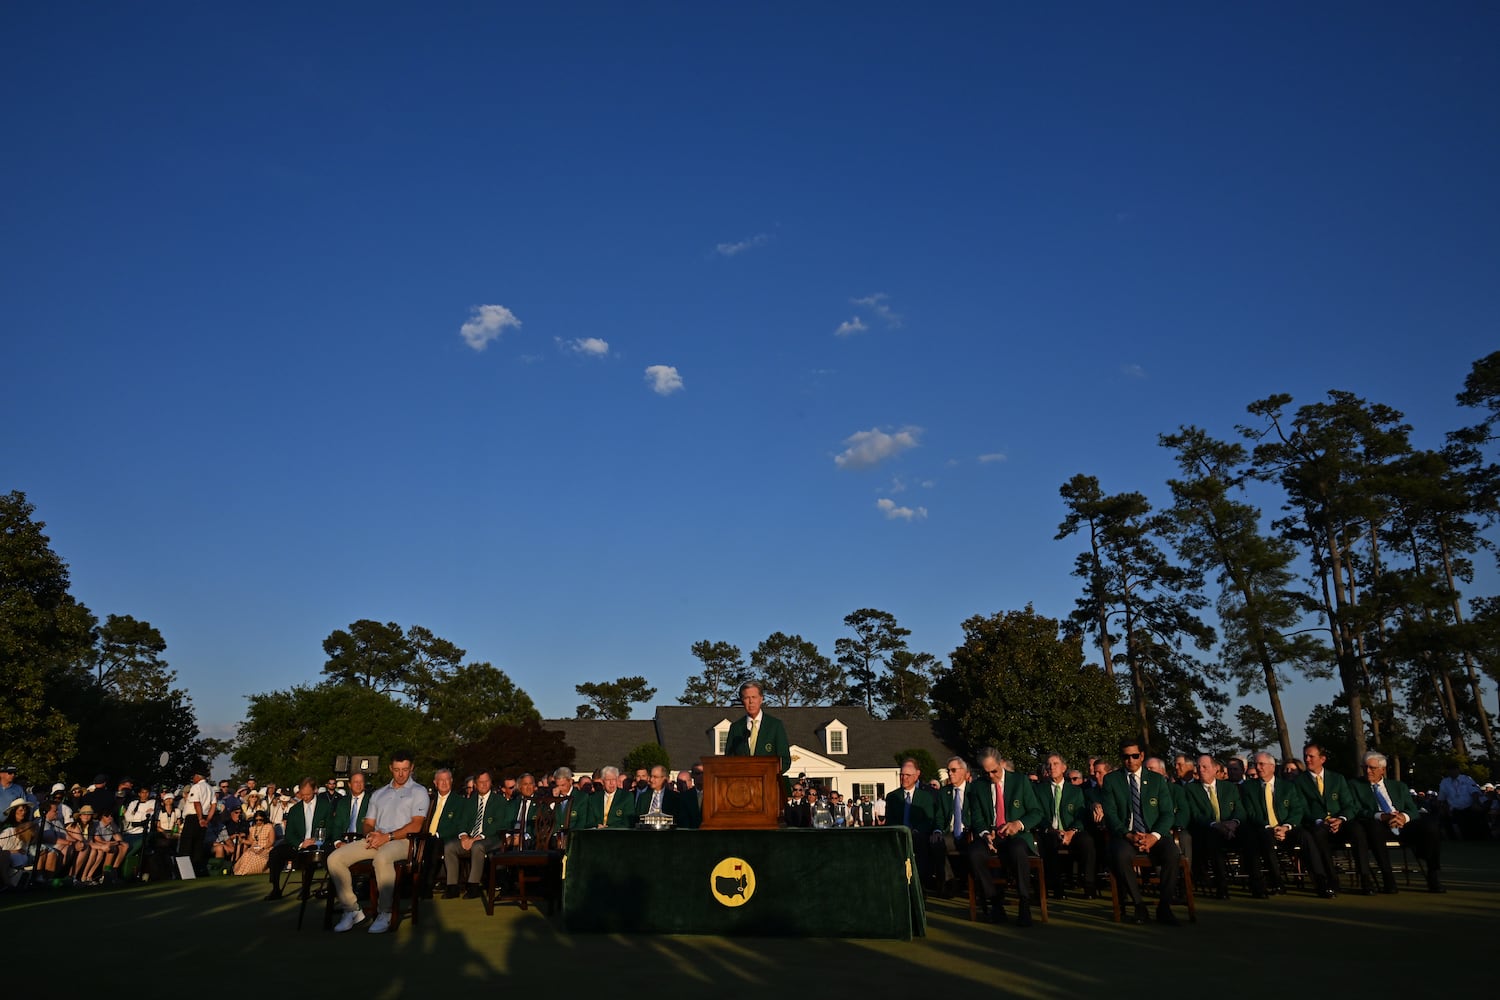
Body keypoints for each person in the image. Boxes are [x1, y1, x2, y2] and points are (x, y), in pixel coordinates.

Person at [328, 751, 428, 935]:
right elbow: (368, 823)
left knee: (382, 858)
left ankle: (385, 912)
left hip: (404, 842)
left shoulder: (419, 791)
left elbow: (416, 825)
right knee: (334, 859)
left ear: (411, 768)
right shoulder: (379, 793)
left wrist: (387, 837)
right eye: (397, 769)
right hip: (378, 839)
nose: (401, 774)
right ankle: (352, 909)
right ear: (390, 768)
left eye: (405, 769)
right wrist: (371, 834)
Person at [1100, 739, 1182, 926]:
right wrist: (1128, 834)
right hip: (1126, 835)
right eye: (1126, 757)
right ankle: (1139, 905)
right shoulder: (1111, 780)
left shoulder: (1156, 780)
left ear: (1142, 756)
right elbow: (1110, 814)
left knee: (1172, 852)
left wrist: (1154, 836)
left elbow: (1167, 813)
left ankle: (1164, 906)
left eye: (1134, 756)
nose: (1130, 760)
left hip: (1154, 834)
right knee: (1119, 855)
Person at [962, 749, 1041, 925]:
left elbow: (1036, 812)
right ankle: (995, 902)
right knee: (974, 853)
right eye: (986, 772)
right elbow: (977, 817)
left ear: (1001, 763)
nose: (991, 776)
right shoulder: (978, 786)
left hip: (1017, 836)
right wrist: (984, 833)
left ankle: (1024, 902)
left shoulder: (1020, 781)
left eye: (994, 771)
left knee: (1018, 849)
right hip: (991, 836)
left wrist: (1018, 824)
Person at [1350, 751, 1444, 894]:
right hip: (1378, 824)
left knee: (1431, 826)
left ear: (1382, 769)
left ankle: (1433, 874)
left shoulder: (1399, 786)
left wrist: (1403, 817)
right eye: (1365, 767)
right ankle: (1388, 878)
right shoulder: (1354, 785)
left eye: (1372, 768)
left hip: (1401, 824)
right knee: (1374, 828)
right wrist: (1382, 816)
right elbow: (1356, 809)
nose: (1367, 771)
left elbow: (1412, 809)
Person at [1241, 751, 1329, 896]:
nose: (1258, 767)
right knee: (1264, 838)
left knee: (1306, 837)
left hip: (1287, 828)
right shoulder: (1248, 787)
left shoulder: (1288, 787)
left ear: (1272, 767)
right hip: (1264, 829)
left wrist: (1286, 827)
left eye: (1262, 764)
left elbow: (1297, 810)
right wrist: (1270, 828)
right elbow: (1250, 813)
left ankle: (1321, 883)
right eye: (1256, 764)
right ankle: (1276, 883)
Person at [1295, 742, 1375, 895]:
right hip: (1318, 824)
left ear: (1322, 759)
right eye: (1305, 756)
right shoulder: (1299, 782)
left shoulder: (1337, 778)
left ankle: (1365, 878)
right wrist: (1320, 820)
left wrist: (1341, 819)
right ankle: (1331, 879)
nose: (1307, 759)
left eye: (1311, 756)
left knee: (1358, 830)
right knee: (1318, 834)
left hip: (1341, 822)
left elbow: (1349, 805)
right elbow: (1302, 808)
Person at [1183, 754, 1249, 899]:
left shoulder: (1229, 787)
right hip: (1209, 831)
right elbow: (1195, 814)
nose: (1201, 770)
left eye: (1205, 767)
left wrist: (1234, 823)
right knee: (1212, 839)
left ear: (1215, 769)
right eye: (1198, 767)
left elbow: (1239, 809)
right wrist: (1215, 825)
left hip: (1231, 829)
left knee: (1252, 835)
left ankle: (1257, 884)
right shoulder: (1191, 789)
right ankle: (1222, 886)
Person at [1037, 752, 1097, 899]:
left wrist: (1072, 831)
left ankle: (1089, 885)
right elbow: (1037, 814)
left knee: (1087, 841)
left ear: (1064, 768)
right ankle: (1057, 887)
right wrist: (1051, 830)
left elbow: (1081, 814)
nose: (1052, 767)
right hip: (1050, 831)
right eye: (1049, 764)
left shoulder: (1075, 791)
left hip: (1072, 832)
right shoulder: (1039, 790)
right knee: (1049, 842)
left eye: (1055, 764)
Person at [885, 758, 949, 895]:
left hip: (918, 836)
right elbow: (890, 820)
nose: (904, 778)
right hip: (898, 835)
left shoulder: (925, 797)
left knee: (921, 845)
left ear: (916, 776)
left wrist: (916, 831)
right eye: (902, 774)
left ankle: (920, 886)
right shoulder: (892, 797)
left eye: (908, 775)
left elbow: (929, 819)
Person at [443, 770, 507, 899]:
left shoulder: (499, 800)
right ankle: (452, 886)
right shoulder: (470, 801)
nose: (484, 784)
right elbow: (462, 821)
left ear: (491, 783)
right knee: (449, 847)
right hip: (470, 837)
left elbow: (498, 824)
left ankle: (473, 886)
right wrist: (464, 836)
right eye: (480, 782)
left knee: (477, 846)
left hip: (491, 838)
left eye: (486, 781)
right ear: (475, 784)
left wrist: (478, 837)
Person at [265, 778, 332, 900]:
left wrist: (316, 840)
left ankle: (306, 889)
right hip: (299, 845)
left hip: (318, 844)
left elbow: (331, 828)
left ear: (315, 790)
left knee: (310, 855)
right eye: (303, 795)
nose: (305, 797)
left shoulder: (325, 806)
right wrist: (301, 843)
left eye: (308, 794)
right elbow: (289, 834)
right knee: (275, 853)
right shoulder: (294, 810)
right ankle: (275, 889)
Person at [724, 680, 791, 776]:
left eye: (754, 697)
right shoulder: (736, 728)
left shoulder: (775, 725)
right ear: (742, 701)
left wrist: (768, 774)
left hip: (768, 781)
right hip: (742, 781)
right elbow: (728, 760)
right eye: (747, 698)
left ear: (761, 699)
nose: (751, 701)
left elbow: (785, 761)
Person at [421, 768, 463, 897]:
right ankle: (409, 885)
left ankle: (427, 887)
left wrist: (438, 834)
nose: (444, 783)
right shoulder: (429, 800)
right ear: (435, 782)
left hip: (447, 838)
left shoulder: (459, 801)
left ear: (451, 781)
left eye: (447, 780)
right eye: (440, 780)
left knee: (434, 845)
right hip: (426, 837)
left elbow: (458, 825)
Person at [177, 766, 215, 876]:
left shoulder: (196, 787)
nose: (193, 778)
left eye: (194, 776)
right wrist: (207, 820)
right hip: (204, 817)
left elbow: (196, 803)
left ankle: (185, 874)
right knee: (198, 846)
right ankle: (197, 871)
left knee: (186, 845)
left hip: (194, 818)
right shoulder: (210, 789)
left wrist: (200, 819)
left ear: (198, 777)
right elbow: (213, 806)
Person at [1437, 762, 1484, 840]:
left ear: (1458, 770)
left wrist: (1475, 803)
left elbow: (1475, 792)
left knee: (1475, 830)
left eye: (1454, 769)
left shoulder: (1466, 779)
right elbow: (1442, 798)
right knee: (1463, 832)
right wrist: (1442, 808)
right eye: (1450, 770)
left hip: (1469, 808)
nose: (1452, 772)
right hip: (1456, 810)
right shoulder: (1445, 782)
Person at [330, 772, 370, 848]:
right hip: (344, 843)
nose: (359, 785)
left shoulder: (371, 801)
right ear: (349, 784)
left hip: (363, 843)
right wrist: (337, 842)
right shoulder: (342, 802)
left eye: (361, 782)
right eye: (356, 782)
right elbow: (337, 825)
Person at [233, 811, 276, 875]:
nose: (258, 822)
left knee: (256, 857)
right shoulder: (252, 828)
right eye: (256, 820)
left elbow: (271, 842)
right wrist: (242, 840)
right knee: (247, 855)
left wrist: (262, 849)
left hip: (266, 848)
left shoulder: (269, 827)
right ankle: (239, 871)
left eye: (260, 820)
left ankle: (246, 871)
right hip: (254, 848)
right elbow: (250, 841)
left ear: (264, 819)